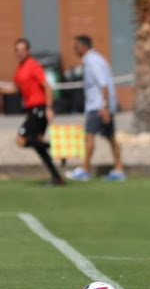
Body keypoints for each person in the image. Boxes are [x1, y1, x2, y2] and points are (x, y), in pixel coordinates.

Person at [0, 38, 64, 186]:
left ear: (28, 51)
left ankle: (54, 147)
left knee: (20, 139)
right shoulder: (20, 68)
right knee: (37, 145)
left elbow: (47, 87)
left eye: (23, 49)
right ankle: (57, 177)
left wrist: (49, 108)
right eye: (18, 50)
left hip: (39, 109)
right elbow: (15, 89)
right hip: (31, 110)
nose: (20, 53)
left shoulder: (34, 66)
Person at [65, 35, 125, 181]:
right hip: (101, 105)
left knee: (89, 136)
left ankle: (85, 170)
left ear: (83, 47)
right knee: (110, 137)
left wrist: (104, 106)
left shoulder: (93, 61)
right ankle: (118, 169)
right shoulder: (93, 59)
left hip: (97, 106)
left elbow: (103, 84)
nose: (74, 50)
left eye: (76, 47)